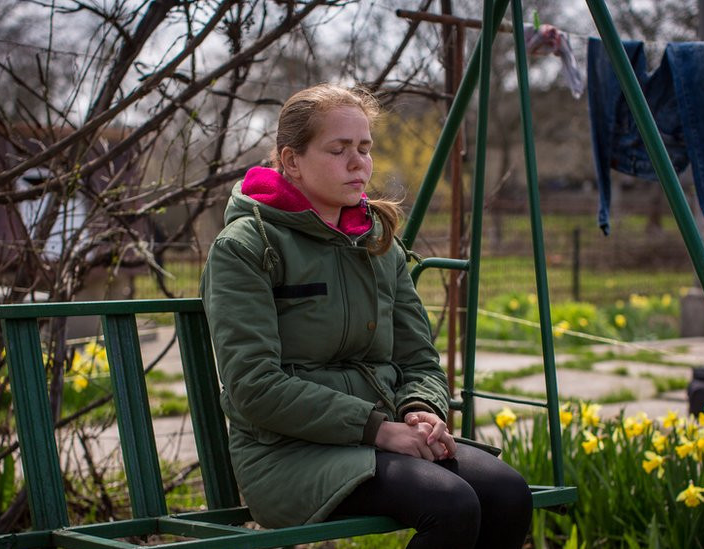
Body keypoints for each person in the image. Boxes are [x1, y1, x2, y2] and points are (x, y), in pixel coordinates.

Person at [201, 83, 533, 549]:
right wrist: (378, 430)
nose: (359, 163)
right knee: (451, 504)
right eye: (339, 150)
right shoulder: (246, 247)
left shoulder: (377, 241)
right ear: (291, 160)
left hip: (380, 438)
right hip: (288, 455)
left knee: (508, 493)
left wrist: (420, 409)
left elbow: (418, 358)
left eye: (365, 148)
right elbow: (254, 385)